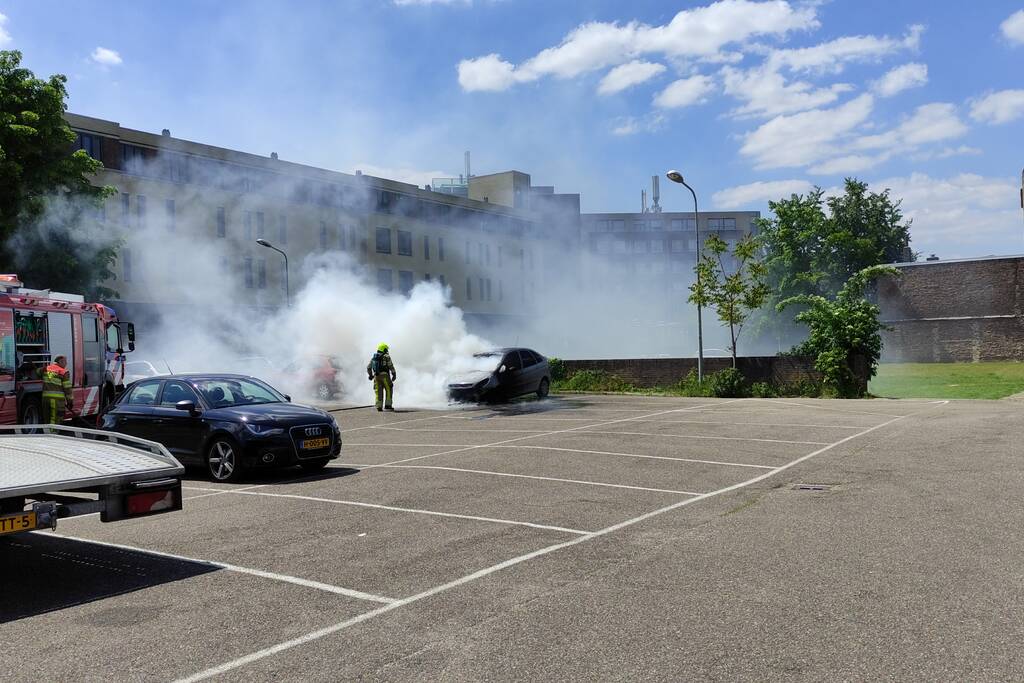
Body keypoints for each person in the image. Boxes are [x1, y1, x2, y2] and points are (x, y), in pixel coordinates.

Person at [38, 355, 73, 424]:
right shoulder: (64, 372)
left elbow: (37, 372)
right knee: (54, 420)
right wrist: (70, 402)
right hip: (56, 401)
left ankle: (47, 433)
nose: (66, 364)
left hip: (45, 399)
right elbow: (67, 389)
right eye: (65, 362)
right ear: (60, 361)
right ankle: (53, 433)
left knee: (47, 419)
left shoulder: (46, 369)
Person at [366, 343, 396, 411]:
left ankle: (379, 406)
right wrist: (394, 374)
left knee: (378, 391)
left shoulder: (374, 357)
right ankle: (388, 405)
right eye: (386, 349)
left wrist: (370, 375)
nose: (387, 350)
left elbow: (368, 367)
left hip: (376, 377)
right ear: (384, 349)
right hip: (385, 376)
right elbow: (390, 366)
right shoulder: (386, 356)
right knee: (389, 389)